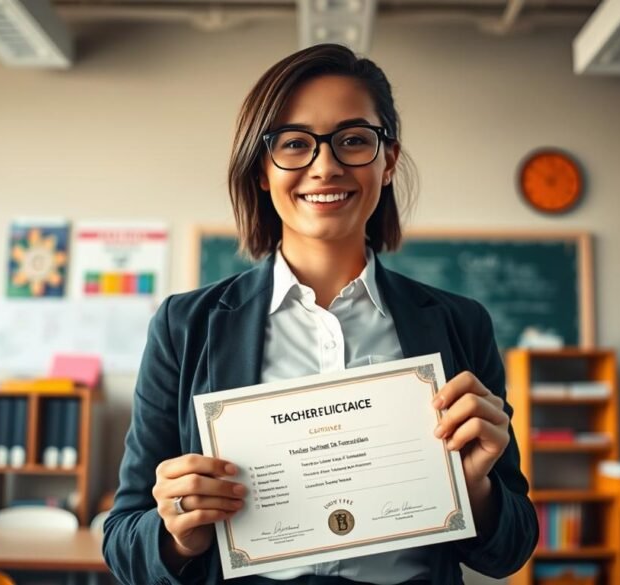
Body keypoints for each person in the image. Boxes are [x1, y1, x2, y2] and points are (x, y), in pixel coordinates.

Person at [103, 43, 538, 585]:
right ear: (262, 169)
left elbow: (510, 550)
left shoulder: (457, 322)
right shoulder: (184, 325)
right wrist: (176, 534)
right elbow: (123, 545)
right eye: (294, 144)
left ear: (389, 160)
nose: (325, 165)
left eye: (355, 140)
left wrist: (476, 490)